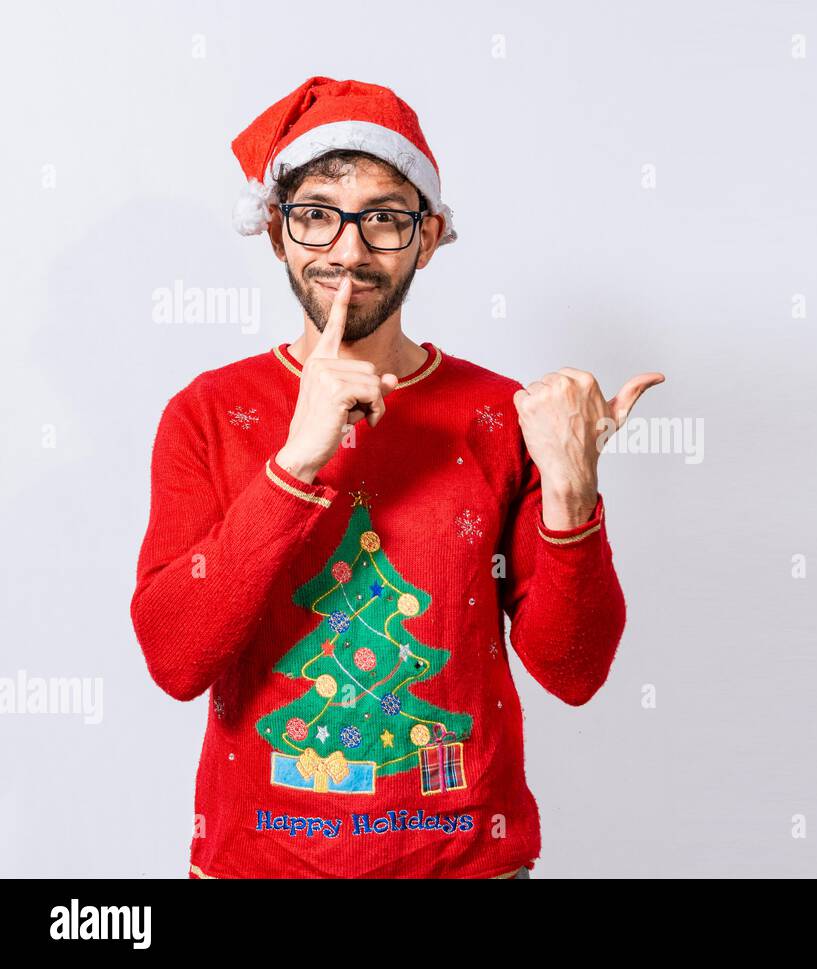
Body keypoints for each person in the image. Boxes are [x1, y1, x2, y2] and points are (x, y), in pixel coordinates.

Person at [130, 76, 662, 879]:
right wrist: (294, 462)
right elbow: (174, 658)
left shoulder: (500, 415)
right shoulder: (207, 413)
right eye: (317, 215)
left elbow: (574, 672)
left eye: (383, 218)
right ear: (277, 233)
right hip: (255, 864)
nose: (348, 249)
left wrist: (571, 491)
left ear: (429, 235)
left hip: (467, 867)